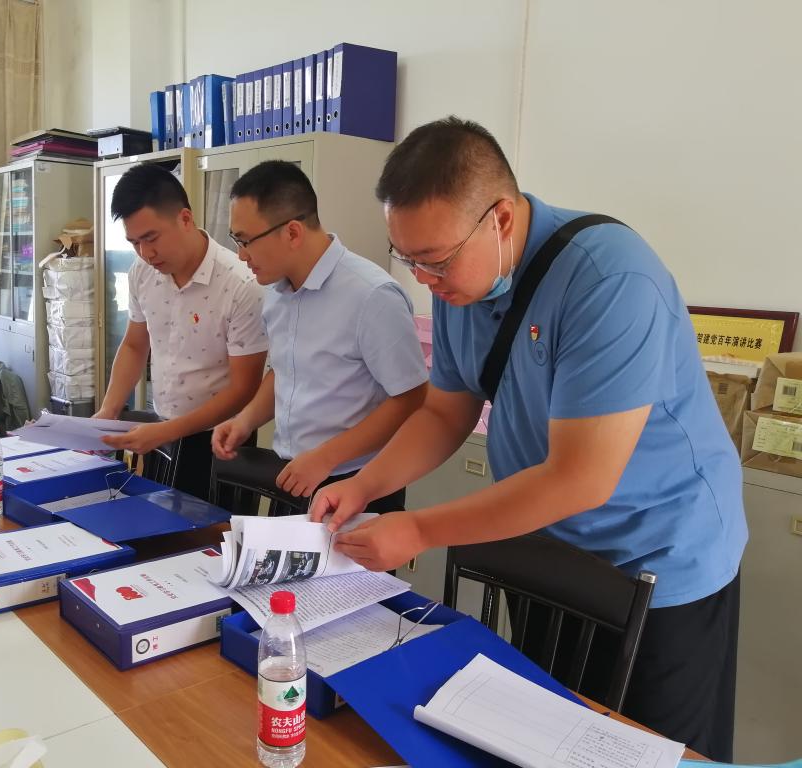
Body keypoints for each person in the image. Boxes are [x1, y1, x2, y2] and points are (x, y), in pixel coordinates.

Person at [309, 117, 747, 760]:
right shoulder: (459, 285)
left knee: (646, 749)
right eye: (408, 260)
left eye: (435, 260)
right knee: (545, 732)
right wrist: (364, 485)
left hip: (657, 558)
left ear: (502, 219)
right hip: (547, 544)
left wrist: (421, 530)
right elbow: (443, 414)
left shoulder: (610, 281)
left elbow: (580, 478)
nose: (424, 280)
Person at [212, 160, 428, 512]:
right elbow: (285, 370)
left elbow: (411, 398)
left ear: (292, 233)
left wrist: (326, 458)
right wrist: (245, 420)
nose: (241, 254)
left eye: (246, 240)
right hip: (294, 473)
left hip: (357, 482)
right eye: (236, 240)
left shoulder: (372, 296)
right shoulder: (276, 292)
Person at [94, 163, 268, 501]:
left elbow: (244, 388)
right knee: (158, 523)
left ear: (185, 219)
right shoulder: (141, 273)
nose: (146, 253)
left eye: (151, 238)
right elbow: (134, 345)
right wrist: (109, 409)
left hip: (222, 438)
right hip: (162, 428)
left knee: (213, 531)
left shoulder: (241, 284)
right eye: (134, 243)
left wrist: (166, 432)